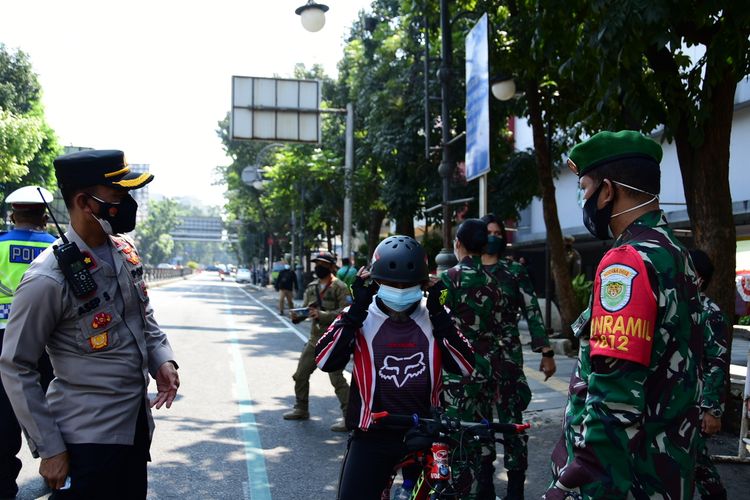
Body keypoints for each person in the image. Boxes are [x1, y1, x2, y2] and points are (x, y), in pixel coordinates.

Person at [0, 150, 180, 499]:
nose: (128, 204)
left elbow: (144, 316)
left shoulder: (124, 253)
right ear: (85, 202)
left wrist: (163, 358)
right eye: (118, 196)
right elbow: (16, 365)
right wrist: (50, 448)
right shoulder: (47, 278)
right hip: (85, 440)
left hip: (134, 429)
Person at [546, 131, 703, 499]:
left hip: (623, 478)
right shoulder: (674, 253)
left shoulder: (626, 261)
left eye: (584, 188)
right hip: (664, 470)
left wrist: (571, 484)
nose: (583, 199)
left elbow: (613, 400)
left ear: (608, 191)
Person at [315, 235, 474, 499]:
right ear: (374, 281)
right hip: (371, 435)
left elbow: (465, 366)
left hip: (425, 432)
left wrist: (438, 312)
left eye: (407, 284)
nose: (400, 290)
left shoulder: (435, 314)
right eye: (391, 283)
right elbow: (325, 360)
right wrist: (356, 309)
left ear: (424, 283)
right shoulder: (359, 315)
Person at [480, 213, 556, 500]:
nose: (493, 237)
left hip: (508, 361)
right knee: (480, 424)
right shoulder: (466, 271)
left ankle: (514, 491)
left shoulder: (514, 272)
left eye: (498, 233)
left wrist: (546, 351)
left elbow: (532, 313)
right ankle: (485, 486)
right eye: (488, 232)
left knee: (512, 424)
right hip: (475, 364)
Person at [440, 218, 506, 498]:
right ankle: (484, 489)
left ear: (459, 244)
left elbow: (437, 320)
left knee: (457, 439)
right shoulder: (496, 279)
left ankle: (462, 493)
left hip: (458, 373)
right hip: (488, 370)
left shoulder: (449, 278)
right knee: (482, 430)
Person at [0, 186, 57, 499]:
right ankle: (58, 476)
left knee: (3, 416)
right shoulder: (58, 248)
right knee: (55, 410)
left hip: (3, 339)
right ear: (44, 216)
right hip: (48, 342)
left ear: (12, 215)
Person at [284, 251, 351, 432]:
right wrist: (298, 315)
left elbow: (347, 312)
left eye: (322, 264)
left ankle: (349, 417)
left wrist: (321, 315)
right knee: (300, 375)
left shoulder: (340, 287)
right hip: (315, 339)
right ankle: (301, 408)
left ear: (330, 266)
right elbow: (307, 309)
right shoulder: (312, 287)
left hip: (334, 341)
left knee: (337, 379)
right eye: (316, 264)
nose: (318, 267)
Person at [689, 249, 729, 500]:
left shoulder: (709, 312)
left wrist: (712, 410)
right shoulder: (680, 307)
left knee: (696, 462)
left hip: (697, 403)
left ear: (699, 278)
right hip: (677, 402)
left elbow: (717, 362)